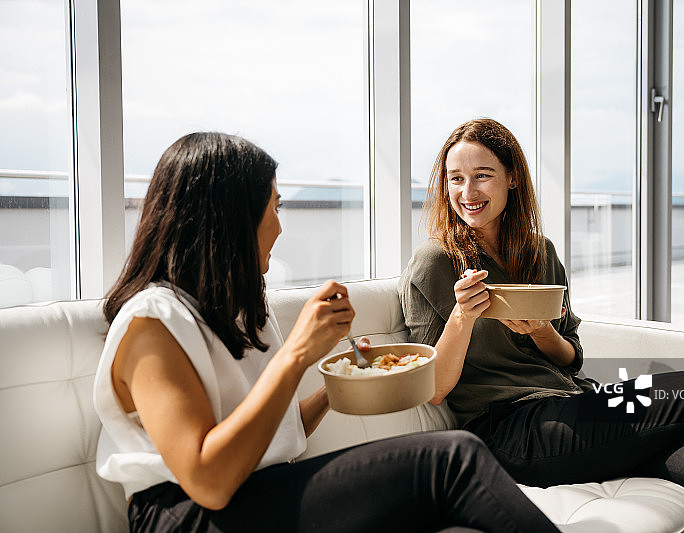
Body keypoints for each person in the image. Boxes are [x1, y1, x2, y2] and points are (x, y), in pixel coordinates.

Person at [93, 132, 561, 533]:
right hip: (183, 515)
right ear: (230, 220)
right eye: (273, 206)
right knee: (455, 458)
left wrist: (342, 390)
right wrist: (297, 353)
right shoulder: (152, 324)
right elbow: (208, 480)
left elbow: (258, 432)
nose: (280, 225)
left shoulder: (234, 310)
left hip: (257, 491)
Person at [399, 118, 684, 533]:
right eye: (456, 179)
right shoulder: (435, 262)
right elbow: (432, 389)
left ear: (512, 177)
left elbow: (571, 356)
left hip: (575, 403)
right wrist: (464, 317)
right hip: (511, 431)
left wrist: (541, 332)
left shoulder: (539, 252)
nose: (468, 192)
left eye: (482, 176)